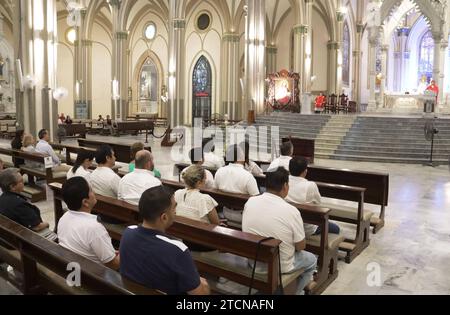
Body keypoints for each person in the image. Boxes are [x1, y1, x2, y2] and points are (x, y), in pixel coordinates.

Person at [120, 186, 210, 295]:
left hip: (130, 289)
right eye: (174, 208)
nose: (175, 212)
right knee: (203, 285)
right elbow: (198, 292)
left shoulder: (128, 232)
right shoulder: (177, 249)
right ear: (164, 217)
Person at [242, 167, 317, 295]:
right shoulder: (291, 211)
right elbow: (300, 246)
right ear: (285, 186)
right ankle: (295, 292)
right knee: (312, 259)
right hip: (280, 265)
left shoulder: (251, 201)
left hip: (255, 261)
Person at [58, 177, 120, 270]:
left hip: (74, 269)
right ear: (85, 202)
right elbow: (113, 264)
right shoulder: (94, 228)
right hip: (93, 277)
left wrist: (110, 252)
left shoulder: (64, 217)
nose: (94, 192)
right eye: (91, 190)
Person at [286, 156, 340, 237]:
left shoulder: (283, 181)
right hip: (305, 228)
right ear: (305, 171)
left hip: (287, 224)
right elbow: (318, 204)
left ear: (289, 170)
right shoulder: (310, 185)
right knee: (336, 229)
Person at [0, 168, 56, 241]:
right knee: (55, 237)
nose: (23, 183)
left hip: (7, 236)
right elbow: (36, 227)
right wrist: (47, 224)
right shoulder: (18, 204)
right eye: (21, 181)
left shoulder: (2, 198)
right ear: (12, 187)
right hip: (21, 239)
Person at [215, 145, 260, 226]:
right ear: (240, 157)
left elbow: (215, 189)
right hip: (243, 215)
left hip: (225, 212)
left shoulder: (219, 171)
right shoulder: (247, 176)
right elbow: (256, 199)